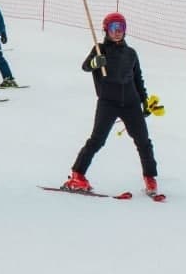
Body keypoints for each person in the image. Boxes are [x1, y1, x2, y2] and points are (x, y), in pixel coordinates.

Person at [64, 12, 161, 195]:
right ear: (106, 30)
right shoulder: (100, 49)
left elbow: (138, 79)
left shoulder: (131, 53)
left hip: (131, 102)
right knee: (97, 140)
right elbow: (85, 67)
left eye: (121, 28)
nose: (117, 32)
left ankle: (150, 178)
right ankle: (77, 174)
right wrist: (94, 62)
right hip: (108, 102)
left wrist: (145, 102)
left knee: (143, 141)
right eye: (113, 28)